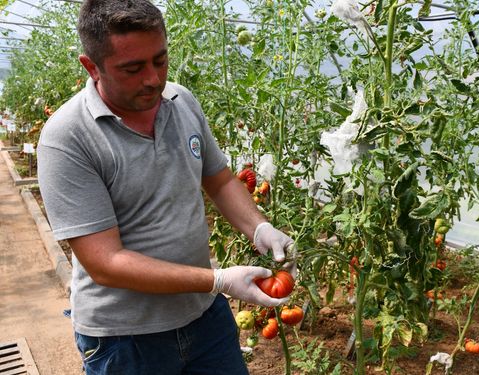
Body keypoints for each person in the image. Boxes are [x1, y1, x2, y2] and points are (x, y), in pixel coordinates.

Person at [36, 1, 295, 373]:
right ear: (91, 67)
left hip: (204, 319)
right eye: (132, 68)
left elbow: (219, 179)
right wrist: (218, 279)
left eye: (160, 60)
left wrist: (259, 226)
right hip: (125, 339)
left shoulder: (180, 100)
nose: (153, 79)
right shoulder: (67, 137)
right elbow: (105, 263)